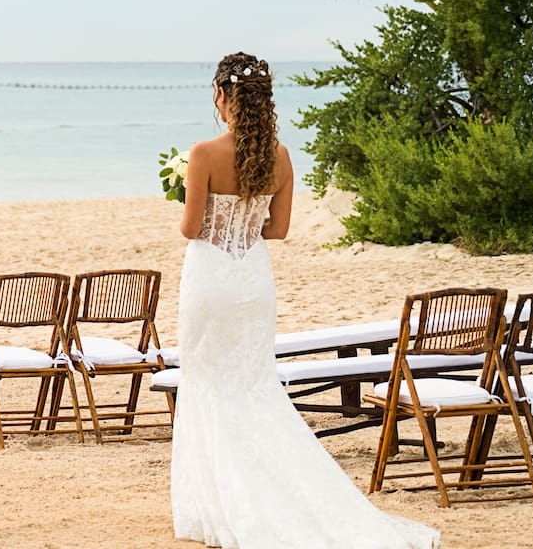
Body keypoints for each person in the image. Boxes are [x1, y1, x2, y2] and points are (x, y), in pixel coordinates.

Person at [170, 52, 439, 549]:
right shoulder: (281, 156)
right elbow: (279, 229)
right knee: (253, 384)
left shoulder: (203, 154)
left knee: (208, 381)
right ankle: (269, 492)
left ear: (223, 96)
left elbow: (190, 228)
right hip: (252, 282)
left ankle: (218, 507)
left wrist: (197, 205)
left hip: (209, 280)